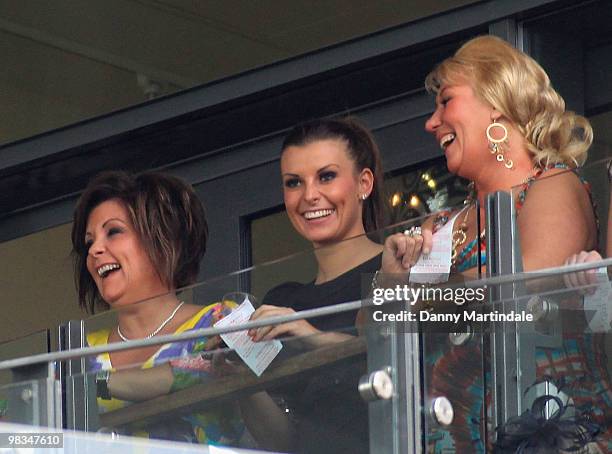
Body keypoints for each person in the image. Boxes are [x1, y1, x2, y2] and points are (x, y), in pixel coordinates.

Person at [380, 35, 608, 451]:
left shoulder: (553, 185)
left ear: (497, 102)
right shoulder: (442, 222)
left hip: (541, 428)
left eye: (446, 101)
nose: (432, 123)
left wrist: (430, 294)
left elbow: (526, 283)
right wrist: (390, 276)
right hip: (449, 435)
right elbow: (379, 330)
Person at [71, 171, 292, 449]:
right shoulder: (79, 352)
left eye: (113, 232)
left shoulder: (224, 319)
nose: (94, 250)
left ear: (164, 238)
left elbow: (283, 438)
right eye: (89, 241)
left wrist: (92, 384)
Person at [248, 117, 385, 454]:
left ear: (364, 183)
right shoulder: (282, 300)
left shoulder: (396, 268)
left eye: (326, 176)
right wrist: (240, 380)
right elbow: (283, 440)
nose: (309, 195)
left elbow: (403, 364)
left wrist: (309, 333)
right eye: (294, 182)